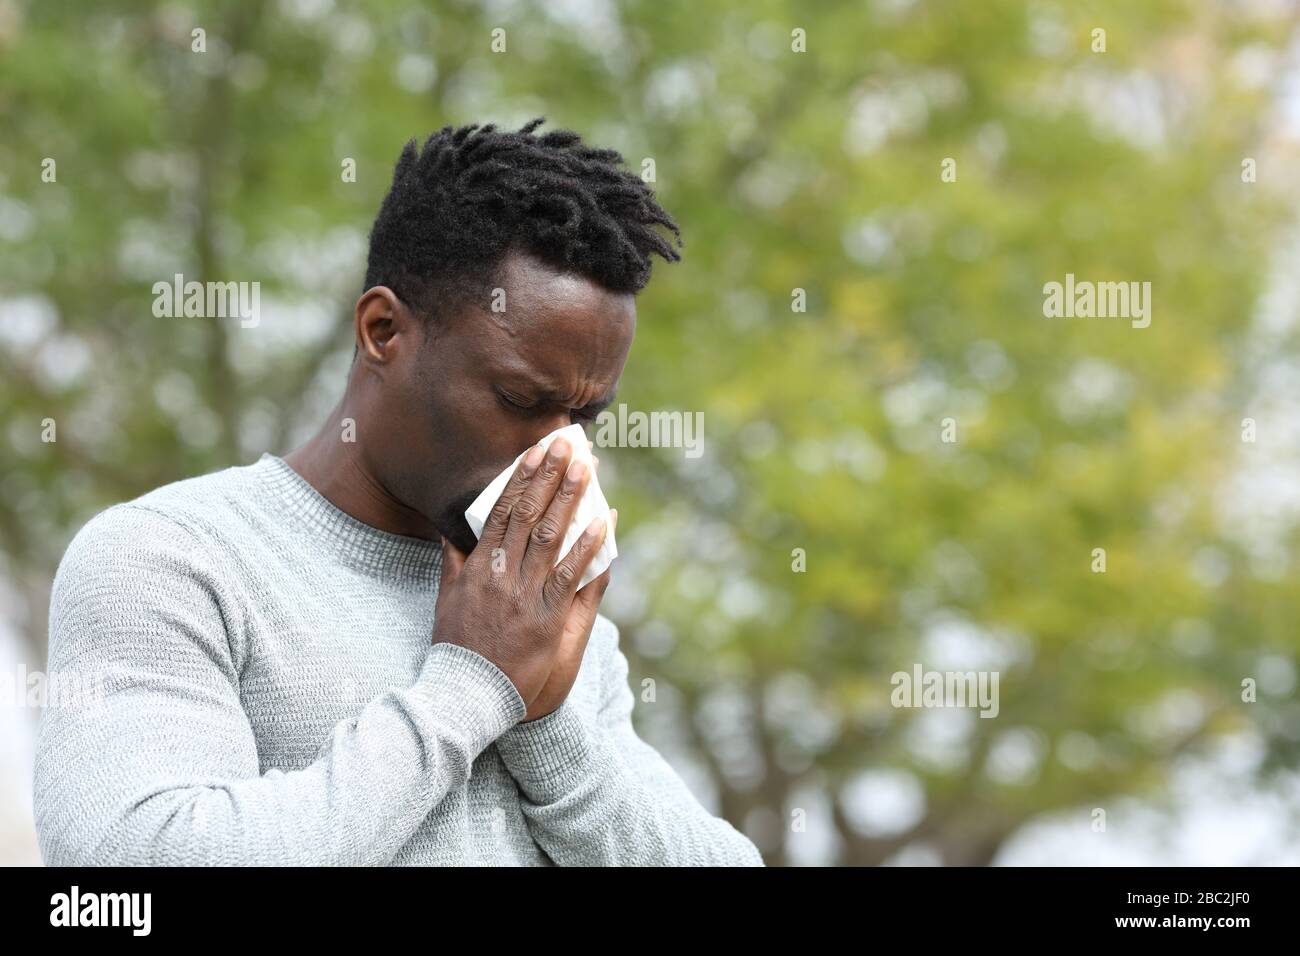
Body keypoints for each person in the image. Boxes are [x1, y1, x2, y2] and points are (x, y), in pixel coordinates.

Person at [32, 118, 764, 866]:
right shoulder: (170, 562)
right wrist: (471, 690)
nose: (561, 455)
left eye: (583, 416)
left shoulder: (543, 612)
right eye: (518, 398)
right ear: (383, 330)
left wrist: (547, 727)